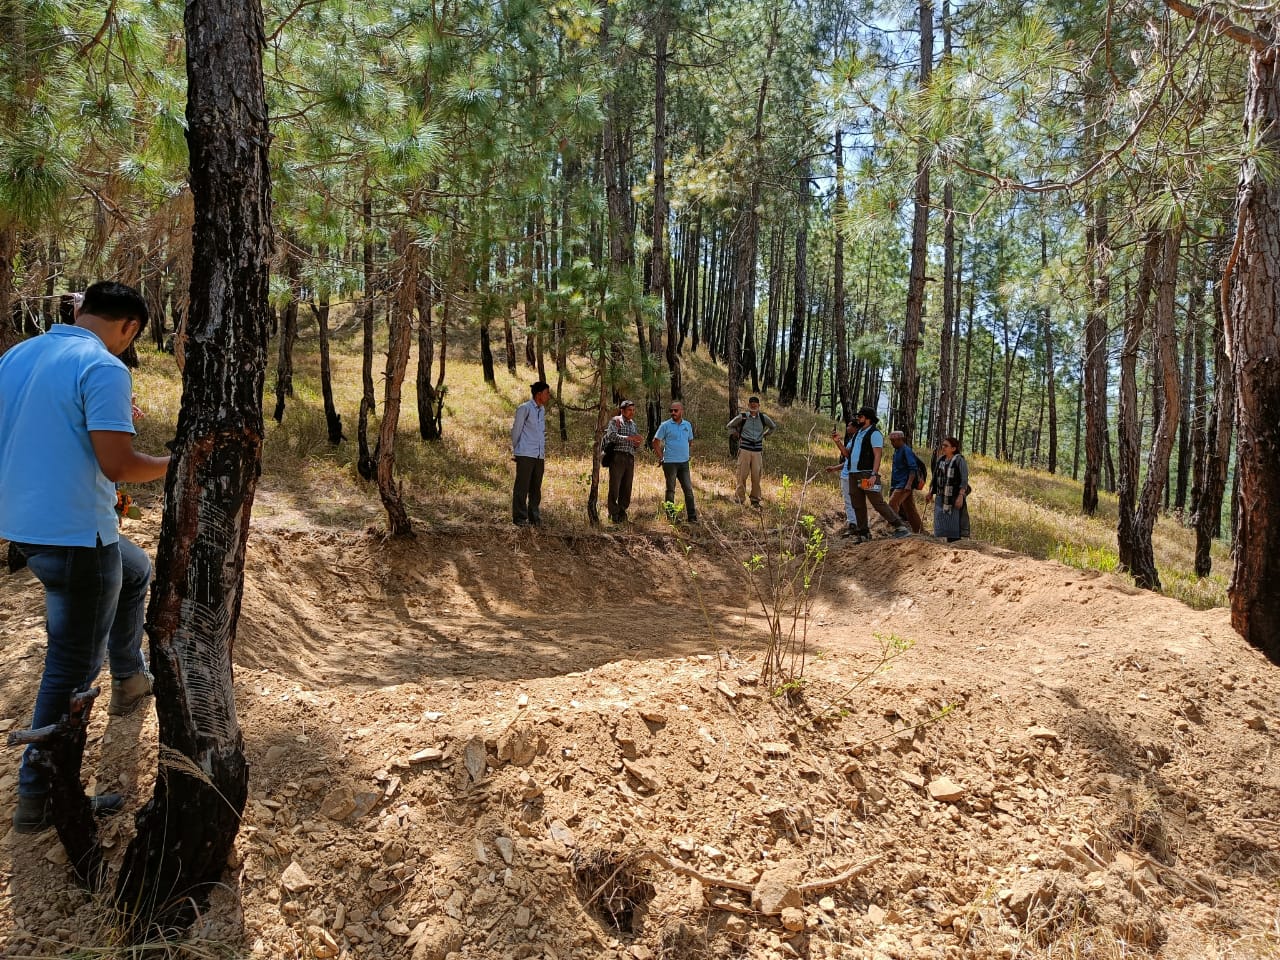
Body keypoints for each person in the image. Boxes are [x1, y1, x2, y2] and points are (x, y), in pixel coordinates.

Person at [0, 281, 170, 834]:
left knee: (137, 570)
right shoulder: (102, 368)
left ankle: (129, 677)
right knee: (69, 670)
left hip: (26, 529)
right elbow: (119, 466)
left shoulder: (20, 354)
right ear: (129, 328)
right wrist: (178, 458)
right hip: (76, 539)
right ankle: (40, 797)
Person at [830, 406, 909, 542]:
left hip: (867, 474)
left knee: (877, 502)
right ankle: (864, 533)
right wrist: (837, 442)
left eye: (860, 416)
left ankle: (900, 527)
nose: (858, 419)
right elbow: (847, 454)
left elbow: (878, 455)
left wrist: (874, 474)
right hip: (853, 474)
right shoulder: (857, 434)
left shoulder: (875, 434)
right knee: (857, 504)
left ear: (868, 418)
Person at [511, 380, 550, 526]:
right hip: (526, 453)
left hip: (539, 455)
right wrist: (518, 450)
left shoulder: (542, 410)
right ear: (539, 394)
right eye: (547, 393)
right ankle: (520, 518)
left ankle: (534, 517)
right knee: (522, 486)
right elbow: (516, 430)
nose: (548, 396)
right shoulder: (525, 408)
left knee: (535, 488)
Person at [652, 401, 698, 523]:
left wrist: (685, 454)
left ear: (681, 411)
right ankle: (671, 516)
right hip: (670, 463)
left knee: (688, 490)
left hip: (684, 463)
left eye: (675, 410)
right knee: (671, 490)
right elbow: (655, 442)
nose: (673, 413)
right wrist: (661, 457)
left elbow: (690, 441)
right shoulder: (665, 425)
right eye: (671, 410)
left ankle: (692, 517)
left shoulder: (687, 425)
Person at [727, 396, 777, 507]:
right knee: (742, 475)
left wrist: (765, 435)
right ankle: (739, 499)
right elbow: (730, 426)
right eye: (751, 404)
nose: (753, 406)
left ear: (759, 406)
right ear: (748, 406)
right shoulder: (743, 417)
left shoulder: (764, 418)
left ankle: (755, 500)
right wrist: (736, 434)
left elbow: (773, 427)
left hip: (757, 452)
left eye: (756, 404)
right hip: (744, 450)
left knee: (756, 475)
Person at [602, 399, 644, 522]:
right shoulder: (616, 421)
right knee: (615, 485)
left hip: (630, 457)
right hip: (618, 456)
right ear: (622, 410)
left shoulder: (633, 424)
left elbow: (634, 442)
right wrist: (629, 438)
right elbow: (611, 435)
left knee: (627, 486)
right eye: (629, 410)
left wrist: (637, 442)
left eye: (633, 410)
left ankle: (622, 512)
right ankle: (613, 513)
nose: (632, 412)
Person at [926, 435, 971, 542]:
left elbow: (964, 480)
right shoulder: (941, 460)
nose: (943, 447)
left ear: (953, 448)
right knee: (940, 524)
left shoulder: (959, 460)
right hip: (940, 497)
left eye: (946, 446)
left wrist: (960, 496)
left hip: (953, 498)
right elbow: (936, 478)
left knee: (954, 525)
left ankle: (954, 546)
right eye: (943, 445)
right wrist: (930, 492)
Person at [887, 430, 925, 534]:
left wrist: (908, 484)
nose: (892, 443)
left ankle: (895, 528)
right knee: (910, 509)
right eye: (891, 441)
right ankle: (920, 531)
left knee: (892, 503)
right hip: (897, 484)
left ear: (900, 440)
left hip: (903, 485)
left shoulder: (906, 450)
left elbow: (913, 468)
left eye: (893, 441)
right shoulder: (897, 451)